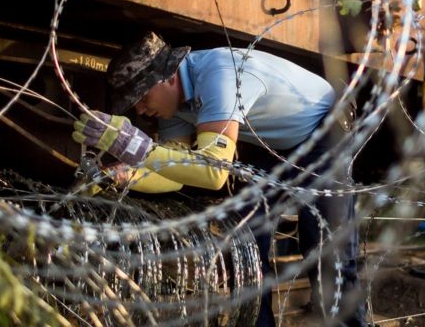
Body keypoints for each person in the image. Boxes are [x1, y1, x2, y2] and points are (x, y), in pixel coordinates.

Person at [72, 32, 368, 326]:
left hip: (324, 126)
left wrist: (141, 149)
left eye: (141, 96)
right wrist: (124, 175)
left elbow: (213, 174)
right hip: (275, 143)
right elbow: (177, 173)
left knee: (328, 251)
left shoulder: (219, 77)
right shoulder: (173, 107)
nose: (139, 109)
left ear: (168, 78)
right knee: (246, 246)